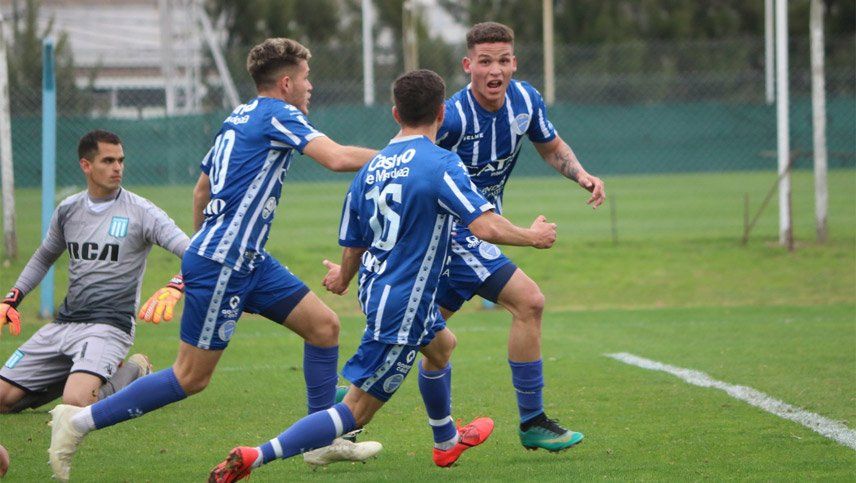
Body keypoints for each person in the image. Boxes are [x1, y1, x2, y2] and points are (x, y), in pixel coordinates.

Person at [47, 38, 380, 482]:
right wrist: (398, 157)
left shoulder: (236, 117)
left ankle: (320, 439)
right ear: (286, 83)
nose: (310, 86)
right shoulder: (279, 114)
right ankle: (77, 422)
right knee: (190, 376)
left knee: (324, 327)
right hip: (226, 262)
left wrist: (207, 244)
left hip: (247, 260)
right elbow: (336, 158)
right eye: (305, 78)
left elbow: (201, 190)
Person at [207, 68, 558, 482]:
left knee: (442, 347)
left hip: (378, 289)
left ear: (395, 113)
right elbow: (484, 226)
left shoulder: (371, 168)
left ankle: (446, 441)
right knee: (354, 410)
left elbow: (354, 241)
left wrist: (344, 277)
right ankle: (255, 456)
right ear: (441, 113)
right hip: (404, 303)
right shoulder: (442, 163)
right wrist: (532, 236)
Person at [430, 22, 606, 452]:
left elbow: (551, 147)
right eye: (485, 61)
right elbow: (412, 159)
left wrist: (581, 175)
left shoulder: (525, 100)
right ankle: (532, 421)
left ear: (514, 63)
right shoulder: (452, 116)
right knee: (529, 301)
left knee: (423, 332)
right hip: (454, 234)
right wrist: (529, 235)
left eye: (503, 60)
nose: (495, 70)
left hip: (481, 233)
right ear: (467, 65)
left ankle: (349, 406)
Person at [0, 130, 188, 414]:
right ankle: (80, 374)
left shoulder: (142, 212)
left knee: (77, 403)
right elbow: (44, 256)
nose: (117, 168)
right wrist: (12, 298)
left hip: (109, 326)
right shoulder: (68, 210)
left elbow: (195, 254)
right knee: (2, 398)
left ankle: (134, 370)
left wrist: (175, 286)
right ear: (86, 165)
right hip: (64, 324)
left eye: (120, 160)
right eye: (108, 161)